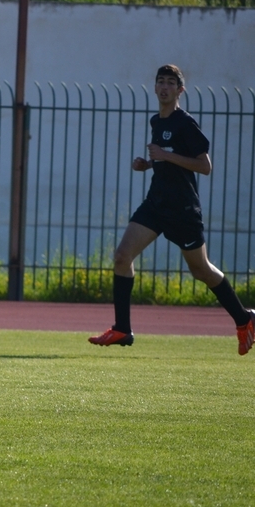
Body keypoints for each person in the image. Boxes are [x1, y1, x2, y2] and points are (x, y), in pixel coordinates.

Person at [89, 64, 254, 354]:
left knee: (201, 270)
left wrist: (165, 155)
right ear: (155, 87)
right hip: (156, 204)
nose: (164, 87)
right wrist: (148, 164)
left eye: (170, 83)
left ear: (180, 90)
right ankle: (122, 329)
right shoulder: (157, 121)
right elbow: (168, 160)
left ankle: (245, 318)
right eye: (160, 82)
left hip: (182, 210)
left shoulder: (185, 123)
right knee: (122, 256)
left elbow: (204, 166)